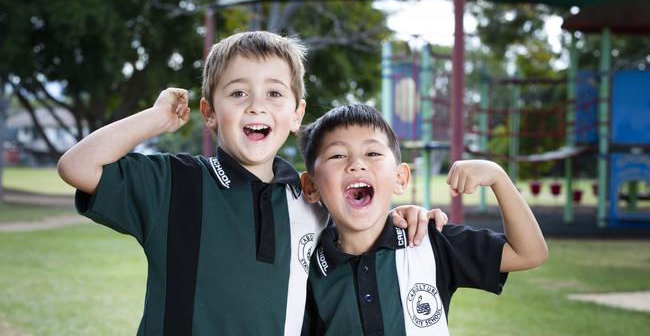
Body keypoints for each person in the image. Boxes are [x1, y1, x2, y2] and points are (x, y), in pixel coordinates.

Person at [57, 31, 447, 336]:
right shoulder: (176, 184)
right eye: (238, 92)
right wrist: (156, 118)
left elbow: (360, 219)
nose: (256, 105)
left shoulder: (308, 199)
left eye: (274, 93)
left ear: (296, 114)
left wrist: (403, 214)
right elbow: (77, 166)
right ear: (209, 113)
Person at [299, 104, 548, 336]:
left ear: (400, 178)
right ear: (311, 186)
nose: (356, 164)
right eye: (338, 155)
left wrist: (498, 177)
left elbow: (529, 253)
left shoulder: (431, 241)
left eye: (372, 152)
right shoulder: (306, 272)